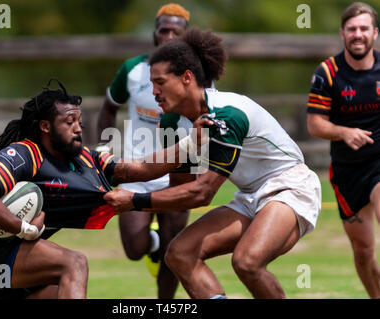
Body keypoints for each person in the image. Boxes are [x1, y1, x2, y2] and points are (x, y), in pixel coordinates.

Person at [104, 28, 322, 299]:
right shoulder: (172, 121)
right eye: (151, 83)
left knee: (247, 262)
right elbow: (176, 187)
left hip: (290, 187)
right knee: (180, 254)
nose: (154, 92)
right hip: (249, 196)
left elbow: (201, 193)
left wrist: (134, 201)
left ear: (186, 78)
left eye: (160, 82)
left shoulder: (226, 114)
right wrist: (106, 171)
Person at [0, 79, 204, 299]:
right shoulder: (24, 154)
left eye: (80, 121)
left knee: (61, 292)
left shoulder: (86, 160)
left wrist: (191, 142)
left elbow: (141, 168)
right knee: (74, 263)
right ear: (46, 126)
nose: (78, 128)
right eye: (69, 121)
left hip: (12, 254)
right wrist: (24, 229)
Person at [96, 3, 192, 298]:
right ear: (155, 33)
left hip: (179, 172)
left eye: (176, 31)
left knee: (173, 252)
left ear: (186, 36)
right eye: (164, 29)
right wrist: (105, 152)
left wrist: (200, 169)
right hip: (136, 170)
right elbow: (108, 108)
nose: (169, 35)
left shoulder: (195, 75)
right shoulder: (133, 70)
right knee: (134, 250)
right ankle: (150, 243)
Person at [307, 2, 380, 298]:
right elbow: (315, 125)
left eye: (364, 28)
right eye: (352, 29)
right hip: (348, 171)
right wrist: (344, 132)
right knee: (363, 251)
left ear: (375, 33)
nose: (358, 34)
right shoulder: (328, 72)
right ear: (342, 33)